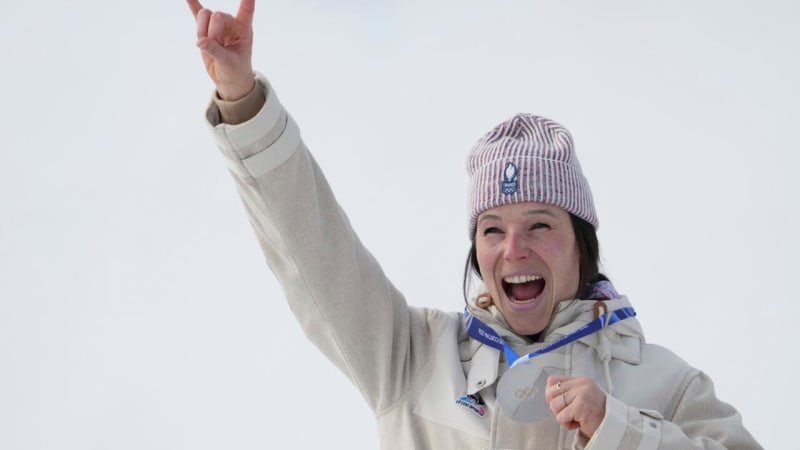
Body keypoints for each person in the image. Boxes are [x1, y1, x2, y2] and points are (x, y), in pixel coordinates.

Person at [186, 1, 762, 448]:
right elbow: (313, 248)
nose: (513, 249)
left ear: (583, 247)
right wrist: (242, 100)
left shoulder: (667, 386)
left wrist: (620, 431)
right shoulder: (412, 358)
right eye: (492, 229)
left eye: (539, 224)